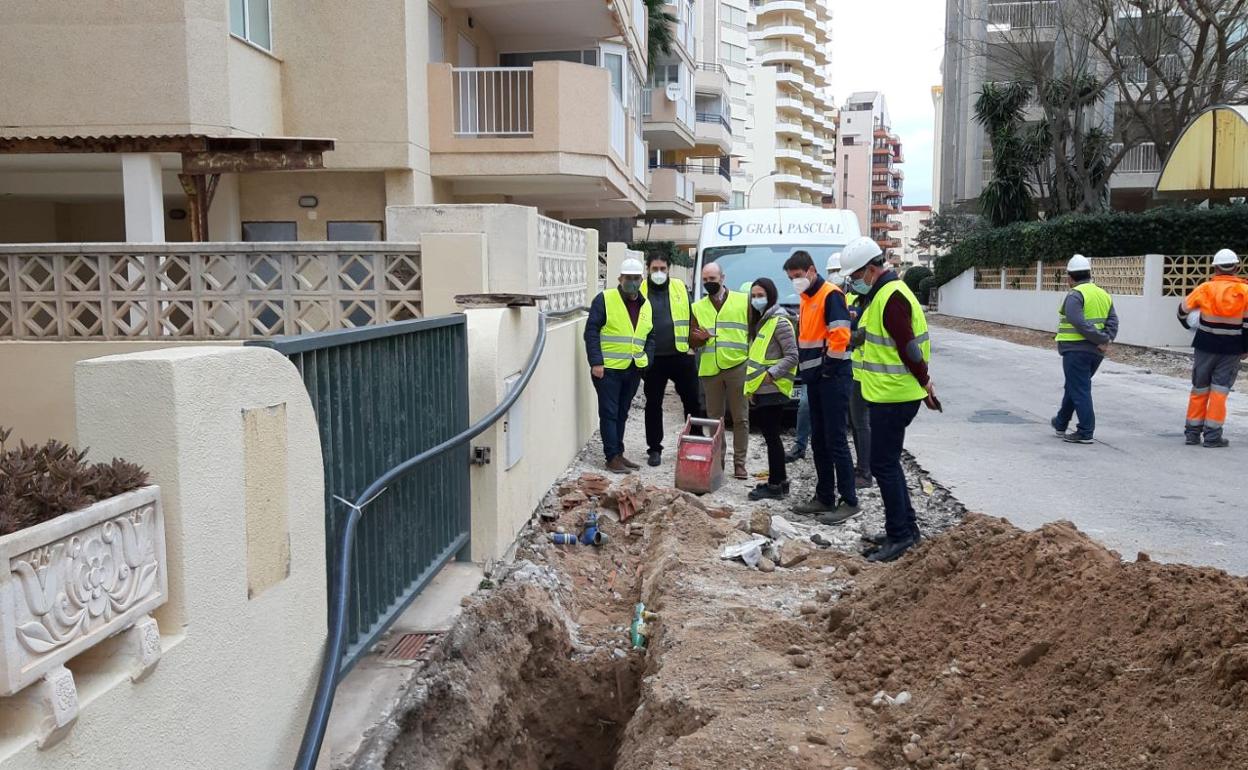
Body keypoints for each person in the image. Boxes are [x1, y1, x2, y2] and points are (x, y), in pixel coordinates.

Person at [840, 237, 932, 563]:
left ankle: (901, 536)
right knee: (888, 462)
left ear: (871, 270)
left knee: (883, 464)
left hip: (895, 395)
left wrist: (926, 382)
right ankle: (906, 529)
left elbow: (908, 347)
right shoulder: (881, 296)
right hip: (889, 393)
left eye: (855, 275)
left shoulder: (891, 297)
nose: (853, 282)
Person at [784, 250, 858, 523]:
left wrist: (828, 369)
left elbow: (840, 335)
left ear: (812, 271)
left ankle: (849, 500)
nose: (796, 281)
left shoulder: (830, 295)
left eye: (799, 276)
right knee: (820, 441)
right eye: (792, 278)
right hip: (815, 379)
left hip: (833, 378)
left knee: (836, 440)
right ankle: (824, 496)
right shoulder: (807, 299)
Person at [584, 258, 654, 473]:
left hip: (632, 369)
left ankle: (619, 453)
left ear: (642, 280)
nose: (632, 282)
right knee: (609, 413)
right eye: (628, 278)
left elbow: (650, 335)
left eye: (636, 278)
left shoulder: (645, 303)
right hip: (608, 369)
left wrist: (647, 359)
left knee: (622, 412)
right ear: (619, 279)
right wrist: (596, 362)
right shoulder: (604, 299)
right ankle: (611, 456)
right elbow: (591, 331)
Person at [1176, 248, 1248, 448]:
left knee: (1199, 388)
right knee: (1219, 391)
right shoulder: (1245, 291)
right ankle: (1213, 436)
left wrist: (1193, 328)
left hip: (1205, 346)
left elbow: (1182, 312)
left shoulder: (1205, 288)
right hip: (1231, 349)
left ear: (1215, 267)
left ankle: (1192, 433)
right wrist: (1245, 348)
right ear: (1236, 267)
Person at [640, 254, 703, 466]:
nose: (659, 273)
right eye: (655, 268)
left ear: (669, 269)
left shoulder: (679, 287)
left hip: (681, 355)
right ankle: (654, 449)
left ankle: (694, 442)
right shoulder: (639, 291)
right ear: (647, 269)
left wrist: (693, 345)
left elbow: (692, 315)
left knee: (692, 400)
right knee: (653, 404)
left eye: (663, 269)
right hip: (654, 358)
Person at [691, 262, 752, 479]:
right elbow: (691, 338)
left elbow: (753, 332)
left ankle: (740, 463)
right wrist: (697, 339)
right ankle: (719, 460)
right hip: (710, 370)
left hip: (737, 365)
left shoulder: (742, 301)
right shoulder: (697, 307)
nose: (709, 284)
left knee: (740, 418)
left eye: (712, 280)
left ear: (722, 278)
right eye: (705, 280)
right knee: (714, 419)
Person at [1050, 254, 1118, 445]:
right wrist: (1106, 339)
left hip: (1075, 349)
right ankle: (1061, 422)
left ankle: (1085, 431)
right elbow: (1113, 321)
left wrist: (1100, 338)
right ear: (1089, 273)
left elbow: (1078, 321)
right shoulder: (1103, 294)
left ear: (1070, 277)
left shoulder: (1074, 295)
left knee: (1079, 388)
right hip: (1096, 352)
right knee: (1074, 386)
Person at [745, 278, 799, 500]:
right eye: (754, 296)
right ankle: (780, 481)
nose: (757, 300)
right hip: (763, 389)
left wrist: (771, 375)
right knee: (771, 437)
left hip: (772, 389)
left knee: (772, 438)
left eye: (761, 295)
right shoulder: (764, 321)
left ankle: (775, 485)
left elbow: (793, 355)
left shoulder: (780, 322)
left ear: (771, 295)